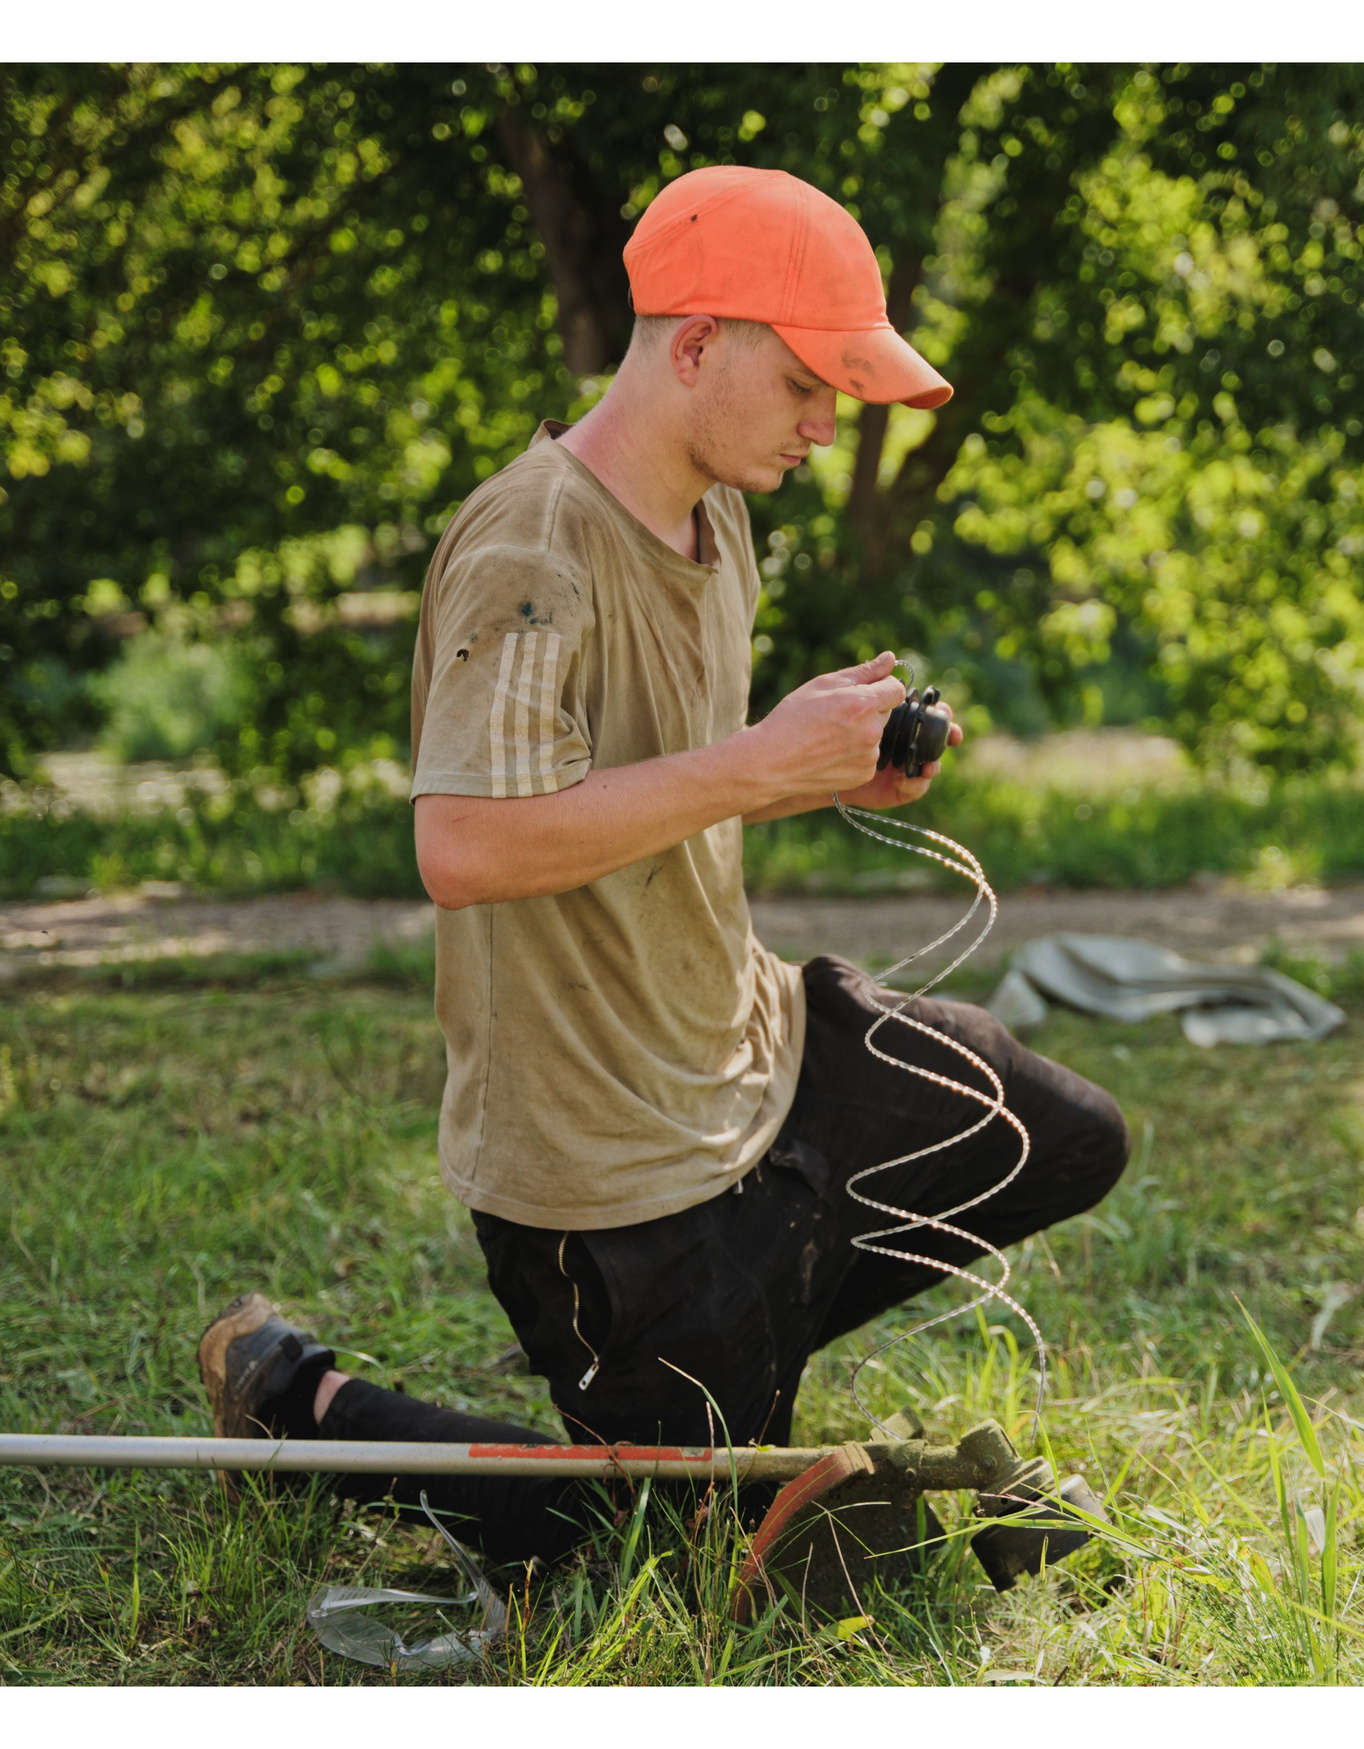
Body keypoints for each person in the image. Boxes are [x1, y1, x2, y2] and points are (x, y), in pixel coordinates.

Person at [194, 166, 1131, 1565]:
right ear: (695, 346)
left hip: (756, 1053)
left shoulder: (719, 512)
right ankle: (304, 1402)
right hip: (604, 1168)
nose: (830, 424)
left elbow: (657, 793)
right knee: (683, 1552)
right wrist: (753, 763)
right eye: (811, 383)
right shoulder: (531, 548)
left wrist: (814, 773)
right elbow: (463, 846)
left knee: (1055, 1136)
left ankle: (737, 1352)